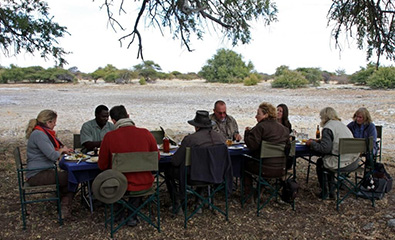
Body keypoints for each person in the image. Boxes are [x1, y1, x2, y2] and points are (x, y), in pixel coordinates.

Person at [98, 105, 159, 227]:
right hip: (144, 183)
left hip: (118, 185)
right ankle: (132, 215)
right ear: (128, 116)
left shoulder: (109, 137)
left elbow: (102, 165)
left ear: (113, 121)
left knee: (111, 178)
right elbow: (156, 158)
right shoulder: (146, 133)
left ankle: (119, 213)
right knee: (135, 179)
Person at [165, 110, 226, 214]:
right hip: (216, 175)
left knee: (168, 171)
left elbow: (175, 161)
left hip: (194, 177)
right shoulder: (221, 138)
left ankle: (177, 203)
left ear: (196, 126)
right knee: (204, 169)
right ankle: (198, 201)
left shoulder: (190, 139)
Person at [25, 110, 74, 218]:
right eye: (54, 122)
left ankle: (62, 200)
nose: (55, 124)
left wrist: (62, 149)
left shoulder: (41, 132)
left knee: (67, 177)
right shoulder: (39, 134)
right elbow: (52, 155)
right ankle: (65, 207)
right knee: (72, 177)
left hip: (40, 171)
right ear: (49, 122)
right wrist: (61, 151)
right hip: (37, 174)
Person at [306, 107, 360, 199]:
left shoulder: (328, 128)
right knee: (328, 161)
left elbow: (325, 149)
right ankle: (332, 191)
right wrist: (320, 141)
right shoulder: (342, 125)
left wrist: (312, 144)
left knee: (321, 162)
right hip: (354, 162)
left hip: (341, 163)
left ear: (324, 117)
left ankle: (325, 192)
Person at [243, 102, 290, 200]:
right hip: (281, 168)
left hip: (263, 168)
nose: (256, 116)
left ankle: (247, 194)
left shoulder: (261, 127)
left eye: (258, 114)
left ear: (266, 115)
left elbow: (252, 146)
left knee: (243, 163)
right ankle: (262, 188)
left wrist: (247, 133)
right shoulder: (285, 129)